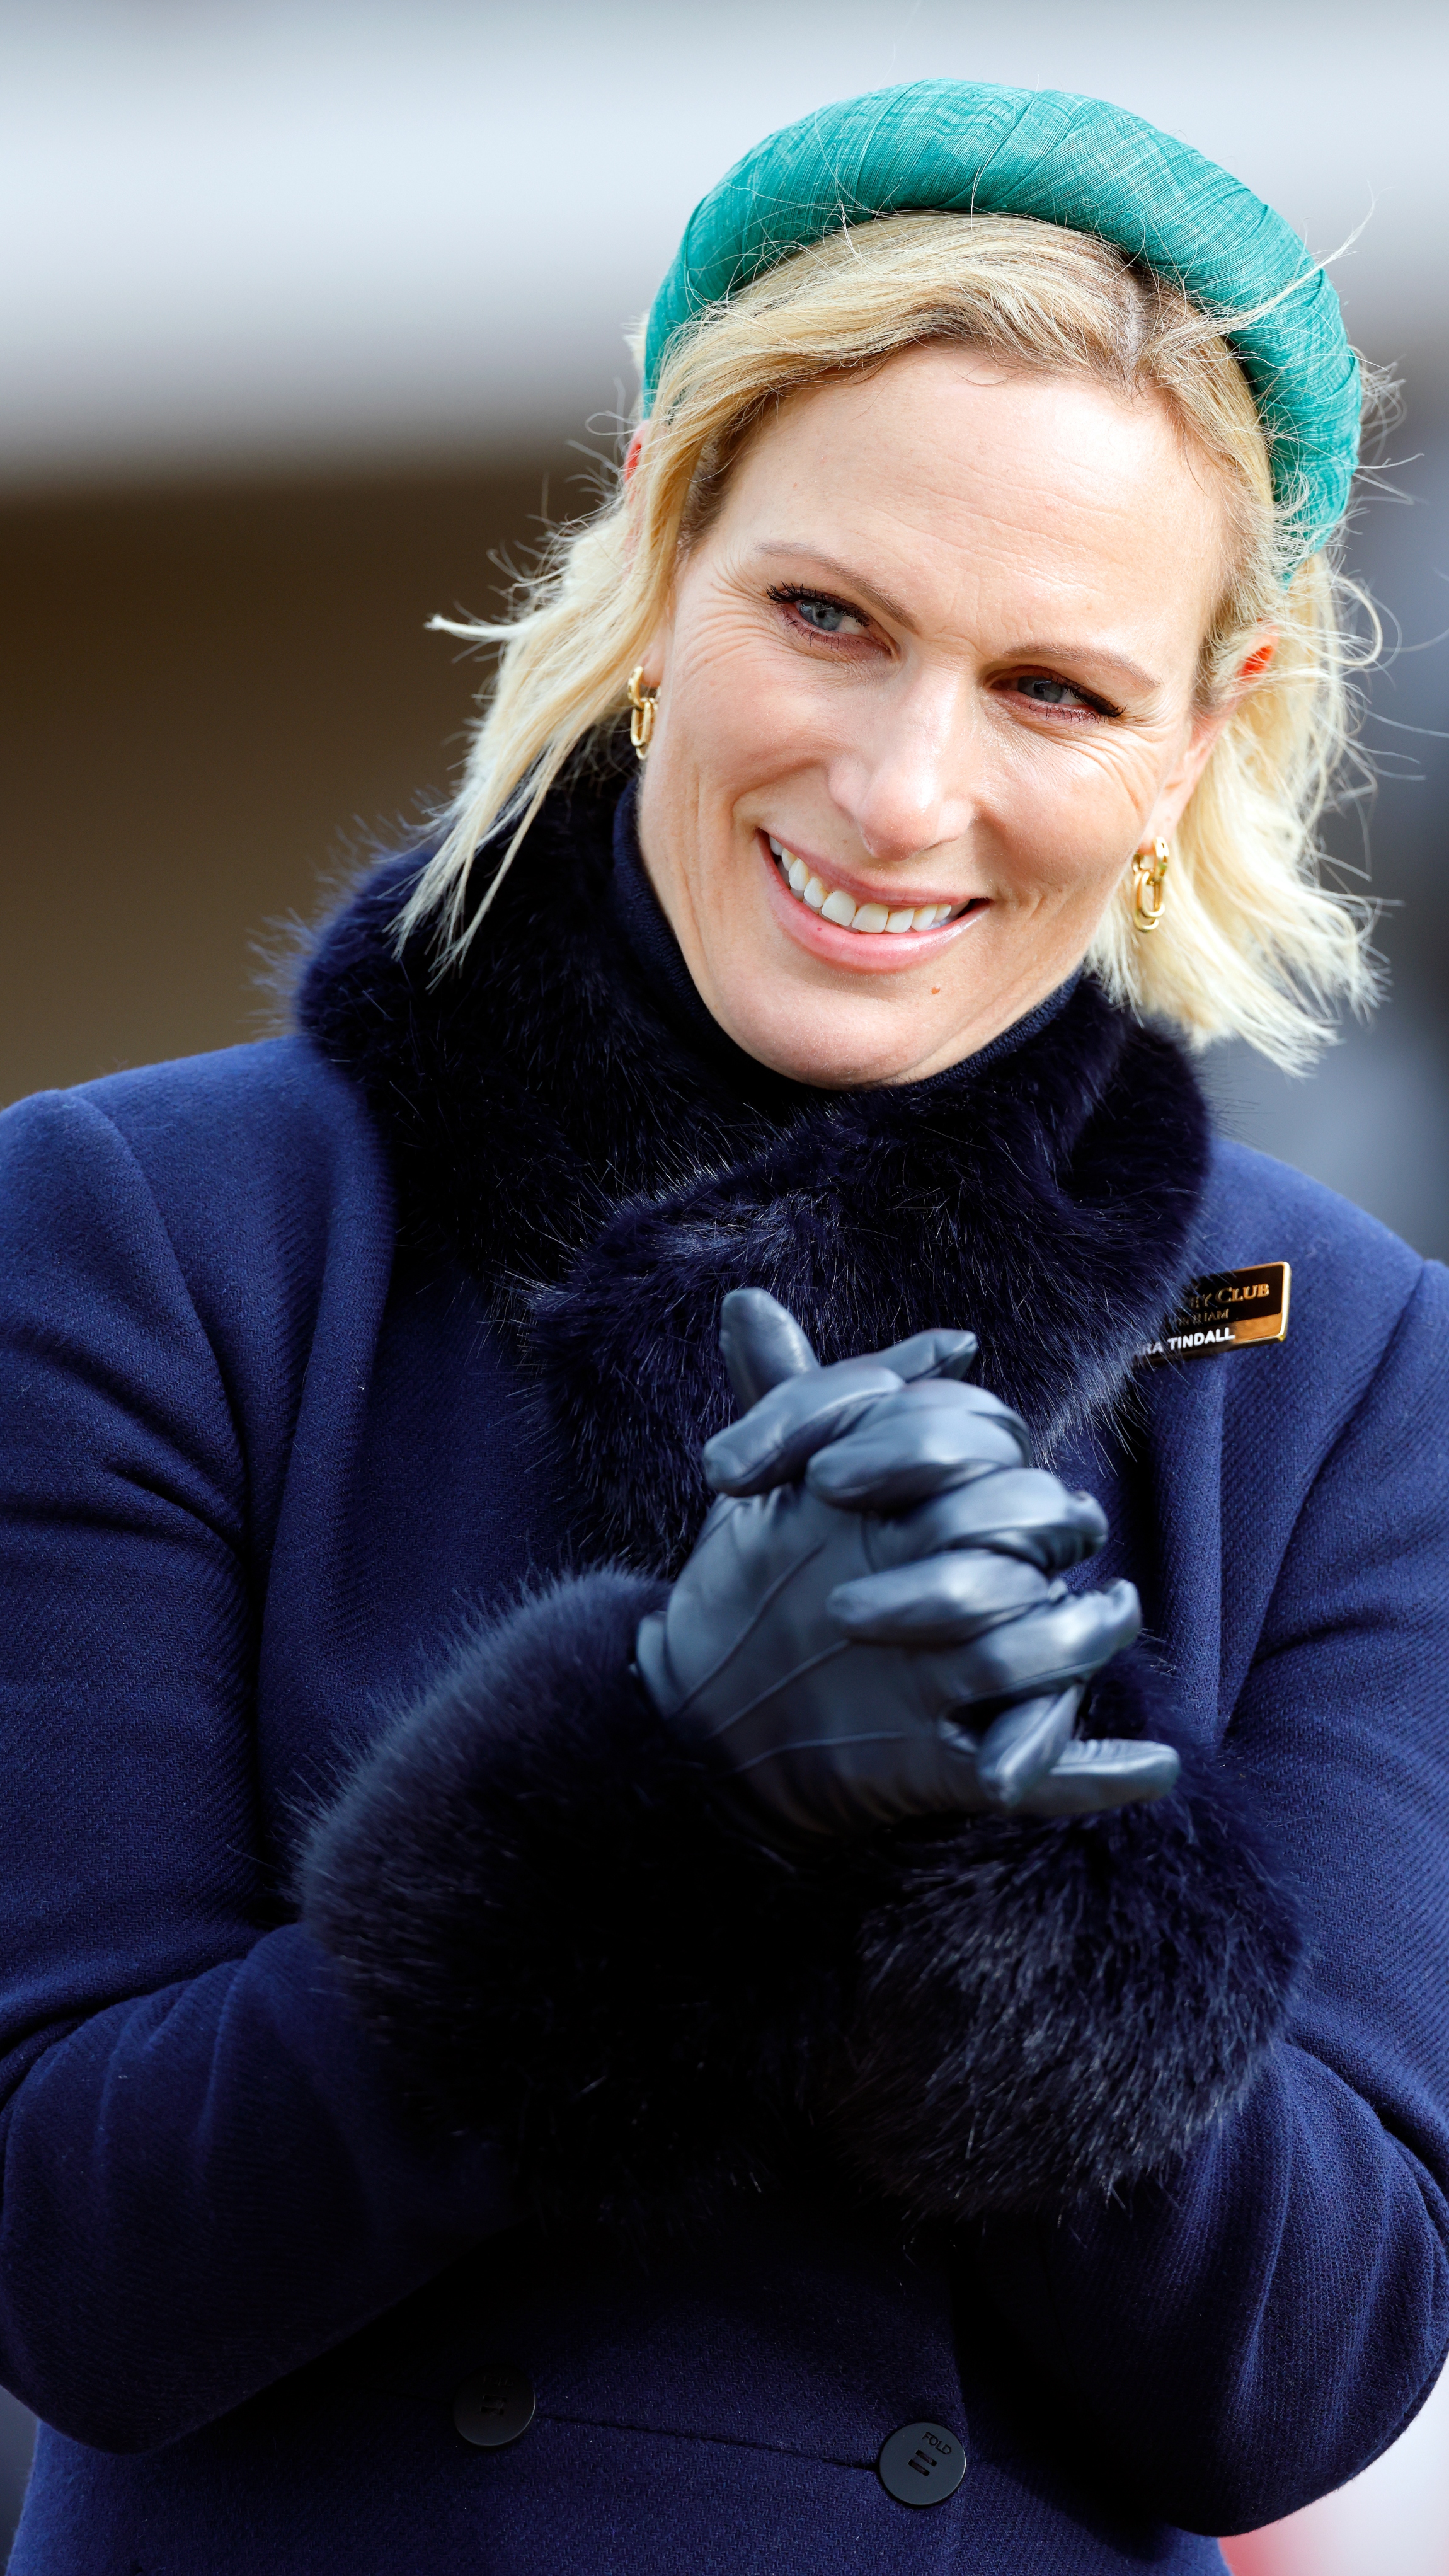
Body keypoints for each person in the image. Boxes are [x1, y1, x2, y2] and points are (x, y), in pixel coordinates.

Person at [0, 75, 1444, 2576]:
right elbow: (82, 2263)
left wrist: (996, 1818)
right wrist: (659, 1770)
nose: (899, 793)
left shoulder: (1337, 1364)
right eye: (827, 617)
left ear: (1189, 740)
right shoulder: (143, 1229)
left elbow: (1295, 2373)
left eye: (1051, 691)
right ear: (662, 541)